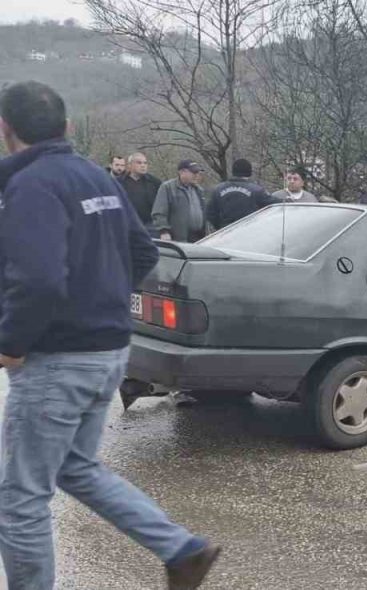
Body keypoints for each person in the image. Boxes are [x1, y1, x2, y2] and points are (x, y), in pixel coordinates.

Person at [0, 81, 220, 590]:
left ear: (6, 130)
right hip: (108, 351)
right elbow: (144, 254)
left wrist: (11, 342)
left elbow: (38, 281)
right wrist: (100, 299)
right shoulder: (93, 177)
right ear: (68, 128)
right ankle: (181, 550)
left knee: (21, 499)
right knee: (74, 466)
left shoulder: (34, 186)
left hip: (59, 360)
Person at [205, 158, 275, 230]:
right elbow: (274, 204)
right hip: (249, 232)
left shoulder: (218, 190)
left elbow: (210, 213)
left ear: (233, 172)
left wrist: (220, 228)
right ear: (249, 172)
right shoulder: (257, 190)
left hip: (225, 234)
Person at [153, 160, 207, 242]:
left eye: (197, 173)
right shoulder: (167, 188)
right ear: (182, 172)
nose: (196, 175)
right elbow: (159, 213)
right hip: (179, 238)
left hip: (199, 237)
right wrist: (164, 231)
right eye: (193, 172)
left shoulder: (199, 190)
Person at [119, 152, 162, 231]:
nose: (143, 165)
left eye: (145, 163)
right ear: (129, 165)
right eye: (139, 163)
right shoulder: (119, 183)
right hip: (125, 225)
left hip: (150, 226)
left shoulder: (154, 182)